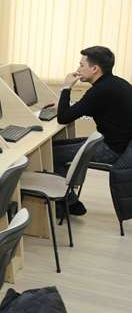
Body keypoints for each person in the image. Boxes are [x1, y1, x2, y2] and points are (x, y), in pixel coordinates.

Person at [53, 46, 132, 213]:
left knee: (52, 154)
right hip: (121, 144)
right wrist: (66, 105)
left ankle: (69, 203)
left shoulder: (99, 91)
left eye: (82, 65)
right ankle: (70, 200)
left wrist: (66, 88)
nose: (78, 69)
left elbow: (63, 118)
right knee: (55, 146)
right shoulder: (117, 83)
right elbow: (89, 108)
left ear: (95, 69)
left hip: (112, 149)